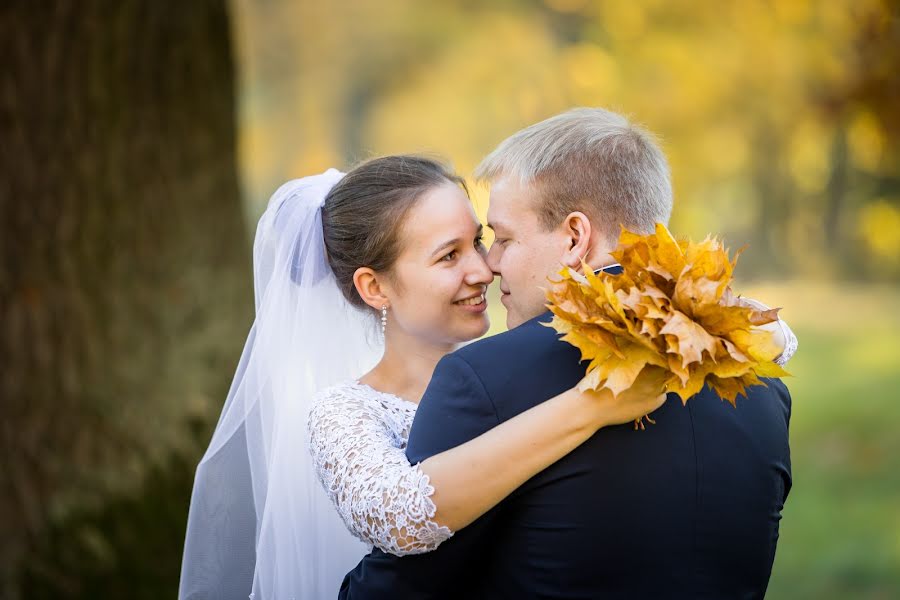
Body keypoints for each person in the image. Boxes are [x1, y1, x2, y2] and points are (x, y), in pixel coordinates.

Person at [340, 108, 795, 599]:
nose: (490, 266)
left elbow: (400, 592)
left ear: (575, 237)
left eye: (503, 239)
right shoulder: (757, 380)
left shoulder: (482, 379)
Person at [177, 156, 672, 600]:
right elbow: (402, 514)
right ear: (375, 287)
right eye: (448, 256)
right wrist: (593, 405)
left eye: (478, 241)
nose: (483, 269)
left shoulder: (533, 364)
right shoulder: (344, 412)